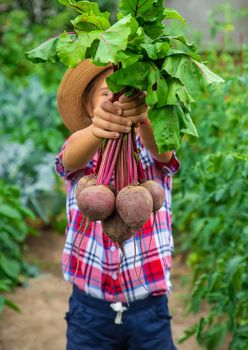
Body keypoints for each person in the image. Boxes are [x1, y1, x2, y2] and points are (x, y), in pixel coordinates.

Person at [55, 59, 180, 350]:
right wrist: (97, 129)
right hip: (89, 308)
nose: (118, 99)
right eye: (107, 93)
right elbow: (68, 157)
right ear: (89, 109)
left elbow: (165, 150)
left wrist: (145, 118)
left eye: (130, 93)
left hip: (150, 308)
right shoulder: (84, 157)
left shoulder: (151, 156)